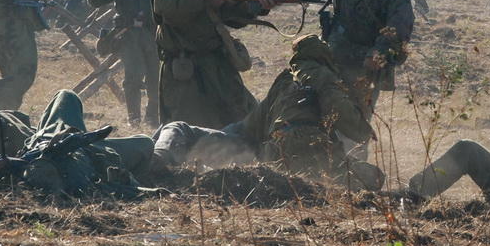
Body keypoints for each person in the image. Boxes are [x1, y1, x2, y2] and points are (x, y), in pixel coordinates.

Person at [151, 35, 383, 189]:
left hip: (275, 154)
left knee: (178, 128)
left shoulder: (284, 80)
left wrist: (219, 140)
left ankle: (159, 158)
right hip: (315, 154)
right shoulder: (323, 74)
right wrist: (363, 130)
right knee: (374, 177)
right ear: (324, 57)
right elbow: (339, 107)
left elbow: (251, 125)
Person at [309, 0, 414, 151]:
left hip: (365, 70)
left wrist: (376, 55)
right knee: (317, 116)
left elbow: (398, 30)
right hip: (332, 60)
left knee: (354, 127)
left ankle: (354, 179)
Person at [150, 0, 277, 128]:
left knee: (240, 114)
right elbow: (164, 7)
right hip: (185, 66)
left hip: (216, 61)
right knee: (188, 124)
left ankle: (240, 155)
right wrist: (205, 0)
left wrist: (257, 8)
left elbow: (232, 18)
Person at [0, 90, 154, 196]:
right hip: (93, 152)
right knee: (144, 142)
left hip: (51, 142)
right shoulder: (81, 184)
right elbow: (133, 191)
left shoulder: (10, 171)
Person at [88, 0, 160, 127]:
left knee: (155, 79)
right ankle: (133, 119)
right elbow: (97, 2)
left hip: (153, 36)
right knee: (133, 77)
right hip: (128, 36)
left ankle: (152, 117)